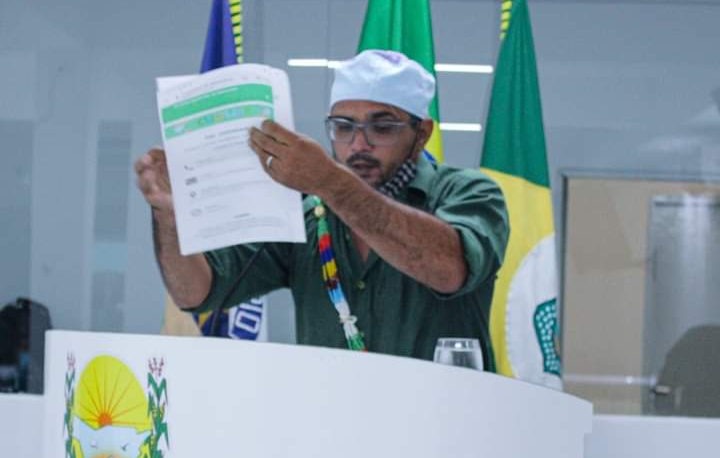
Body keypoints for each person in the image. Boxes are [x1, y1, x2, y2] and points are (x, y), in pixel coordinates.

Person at [136, 50, 509, 368]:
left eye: (382, 128)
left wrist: (330, 181)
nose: (358, 145)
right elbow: (196, 292)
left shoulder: (468, 192)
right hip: (329, 423)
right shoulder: (307, 209)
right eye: (343, 127)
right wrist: (168, 215)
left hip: (444, 422)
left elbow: (449, 270)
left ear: (421, 134)